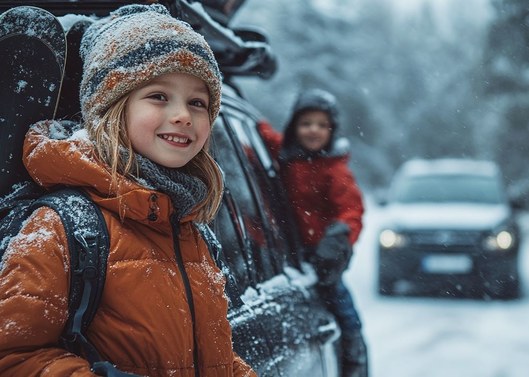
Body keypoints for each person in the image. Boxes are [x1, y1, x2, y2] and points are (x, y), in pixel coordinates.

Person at [0, 4, 256, 376]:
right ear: (113, 109)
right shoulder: (63, 226)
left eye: (197, 102)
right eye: (159, 96)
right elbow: (14, 355)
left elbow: (211, 355)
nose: (184, 115)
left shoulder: (190, 229)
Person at [257, 89, 368, 377]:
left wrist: (339, 237)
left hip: (323, 259)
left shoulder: (334, 170)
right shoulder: (286, 155)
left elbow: (352, 210)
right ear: (294, 126)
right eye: (306, 123)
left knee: (344, 312)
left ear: (332, 130)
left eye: (322, 125)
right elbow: (262, 138)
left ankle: (355, 360)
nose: (313, 130)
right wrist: (254, 122)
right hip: (291, 251)